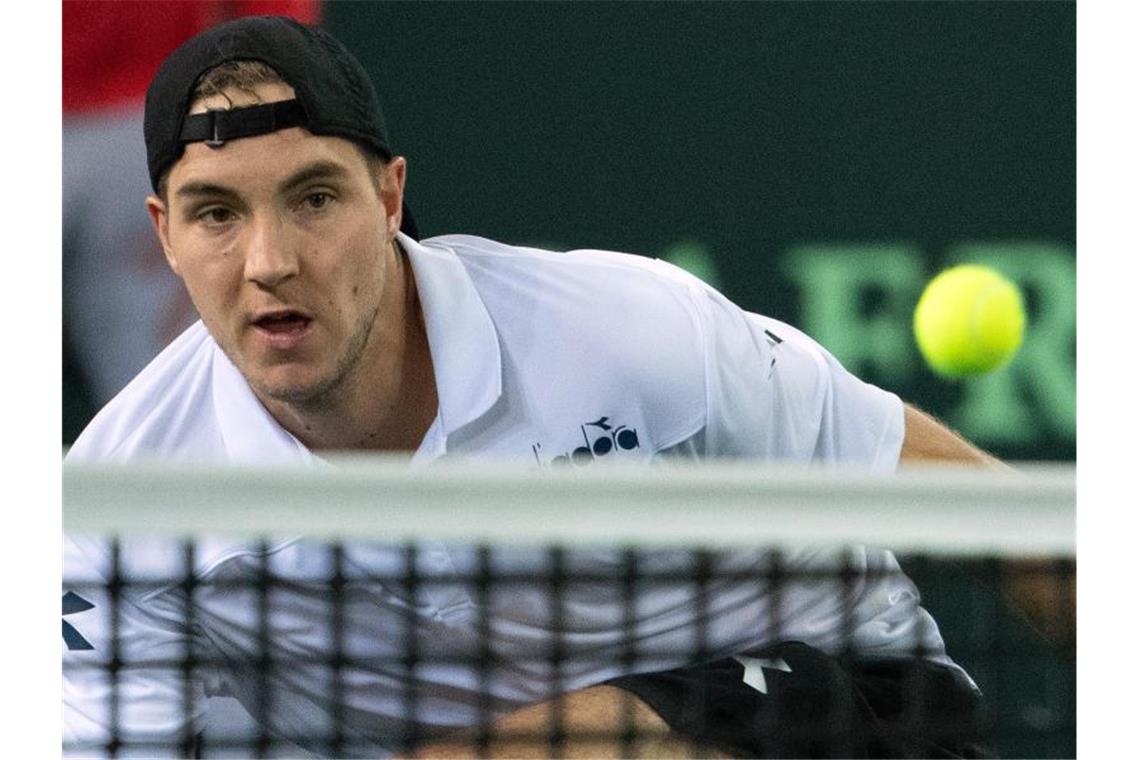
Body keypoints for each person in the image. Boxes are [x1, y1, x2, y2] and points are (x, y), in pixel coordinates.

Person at [64, 16, 997, 759]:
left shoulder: (629, 333)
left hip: (843, 717)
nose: (269, 263)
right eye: (216, 214)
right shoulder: (122, 502)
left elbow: (993, 521)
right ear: (165, 235)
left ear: (389, 202)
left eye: (314, 199)